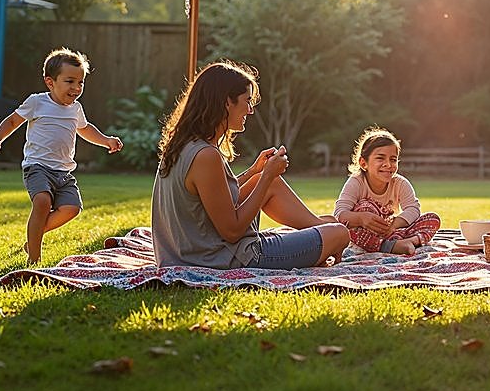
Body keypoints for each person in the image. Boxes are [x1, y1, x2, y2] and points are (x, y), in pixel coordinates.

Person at [150, 60, 349, 269]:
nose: (251, 110)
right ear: (227, 102)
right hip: (221, 257)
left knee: (268, 184)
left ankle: (318, 227)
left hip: (192, 251)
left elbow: (213, 197)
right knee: (340, 234)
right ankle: (325, 231)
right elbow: (232, 231)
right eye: (247, 101)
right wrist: (267, 175)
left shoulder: (186, 144)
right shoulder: (206, 155)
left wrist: (255, 172)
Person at [0, 47, 123, 264]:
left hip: (63, 171)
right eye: (70, 81)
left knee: (72, 208)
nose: (76, 88)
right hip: (37, 166)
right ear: (50, 82)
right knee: (42, 201)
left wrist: (106, 140)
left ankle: (34, 237)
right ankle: (34, 258)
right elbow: (12, 121)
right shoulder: (37, 102)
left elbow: (85, 129)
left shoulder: (75, 109)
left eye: (80, 82)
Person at [334, 126, 441, 254]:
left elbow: (413, 209)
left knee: (433, 219)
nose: (388, 165)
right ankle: (388, 246)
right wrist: (362, 218)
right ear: (363, 163)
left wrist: (394, 225)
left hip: (392, 231)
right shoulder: (356, 182)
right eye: (380, 158)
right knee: (364, 207)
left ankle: (411, 241)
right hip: (365, 234)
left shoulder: (400, 183)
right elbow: (339, 214)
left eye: (393, 159)